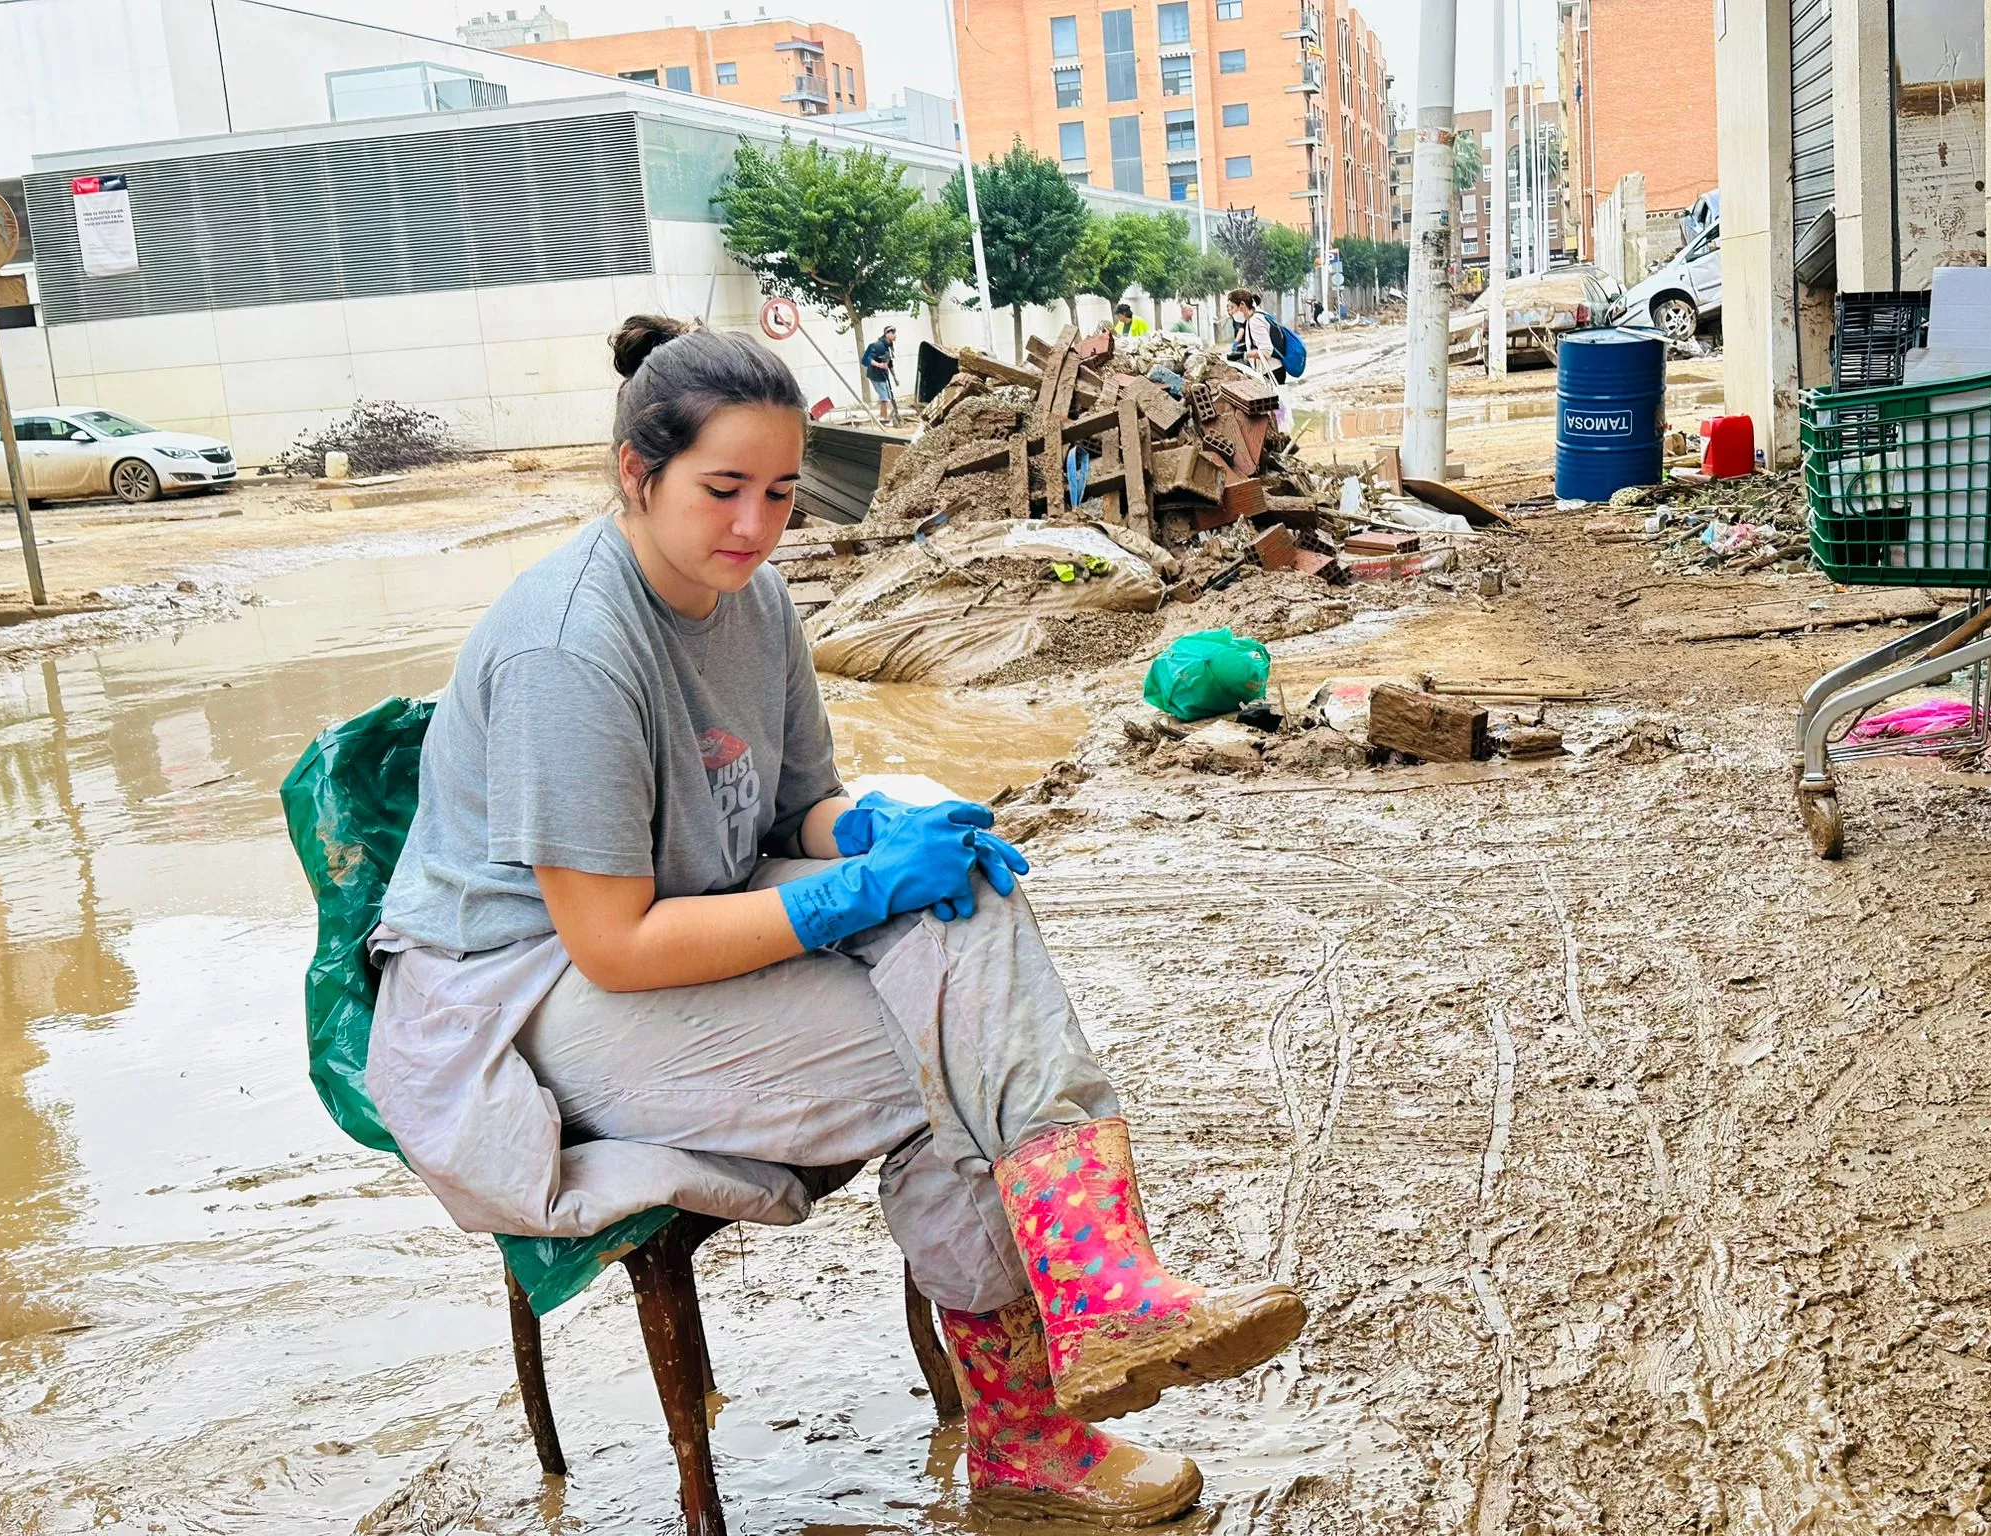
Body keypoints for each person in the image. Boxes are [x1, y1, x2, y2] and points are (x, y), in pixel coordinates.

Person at [365, 316, 1308, 1526]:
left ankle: (1097, 1293)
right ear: (633, 475)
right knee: (944, 1060)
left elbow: (798, 805)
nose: (754, 527)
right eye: (720, 490)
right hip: (521, 1005)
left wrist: (866, 838)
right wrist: (853, 895)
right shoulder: (571, 647)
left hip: (678, 921)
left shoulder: (751, 604)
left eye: (776, 492)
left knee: (964, 892)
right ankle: (1043, 1393)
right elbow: (611, 942)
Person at [1227, 289, 1286, 384]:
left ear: (1242, 304)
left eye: (1233, 307)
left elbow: (1266, 351)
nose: (1231, 312)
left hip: (1271, 371)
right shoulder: (1257, 315)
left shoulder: (1255, 320)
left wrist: (1244, 355)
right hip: (1275, 369)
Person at [861, 324, 899, 425]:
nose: (895, 335)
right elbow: (867, 359)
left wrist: (895, 378)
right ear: (887, 334)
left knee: (886, 397)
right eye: (892, 333)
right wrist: (879, 365)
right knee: (884, 398)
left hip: (883, 375)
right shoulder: (878, 346)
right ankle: (886, 418)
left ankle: (885, 417)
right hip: (876, 375)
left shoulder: (889, 346)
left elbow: (889, 363)